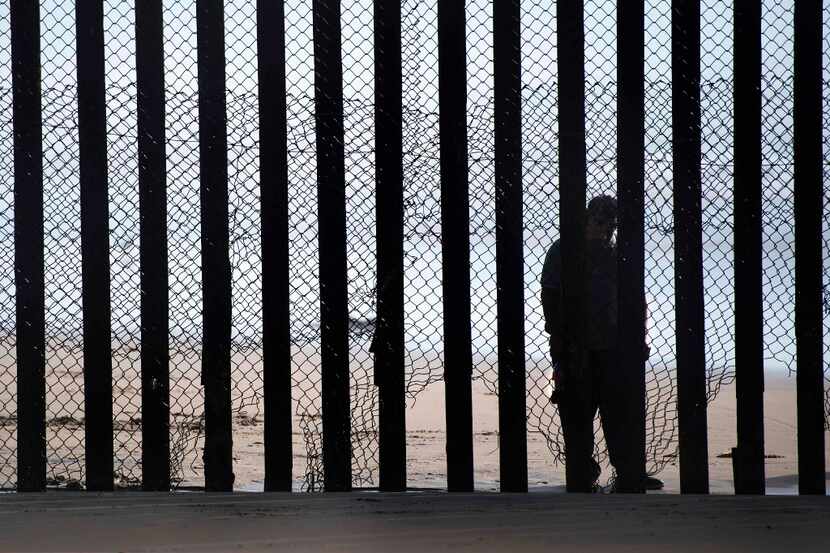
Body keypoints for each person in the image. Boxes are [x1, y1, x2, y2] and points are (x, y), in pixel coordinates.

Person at [541, 194, 661, 492]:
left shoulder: (615, 255)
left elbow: (636, 301)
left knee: (617, 414)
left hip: (612, 348)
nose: (605, 228)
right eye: (599, 221)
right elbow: (550, 296)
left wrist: (639, 337)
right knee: (578, 413)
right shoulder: (562, 253)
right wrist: (559, 336)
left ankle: (624, 471)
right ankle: (584, 471)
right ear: (585, 220)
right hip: (577, 348)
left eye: (610, 224)